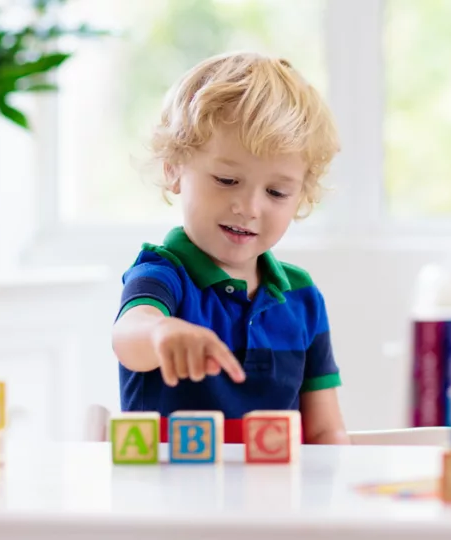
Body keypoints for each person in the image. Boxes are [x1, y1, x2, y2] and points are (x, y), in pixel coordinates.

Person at [111, 51, 349, 445]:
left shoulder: (302, 296)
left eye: (276, 191)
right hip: (169, 498)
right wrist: (162, 333)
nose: (249, 208)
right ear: (174, 168)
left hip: (275, 501)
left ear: (301, 197)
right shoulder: (162, 273)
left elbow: (325, 429)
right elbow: (128, 336)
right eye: (226, 180)